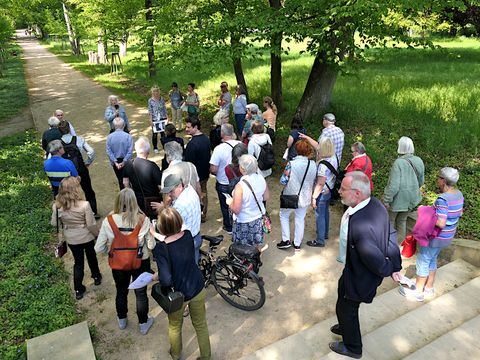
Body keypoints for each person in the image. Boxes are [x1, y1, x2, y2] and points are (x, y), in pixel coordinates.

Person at [329, 171, 402, 359]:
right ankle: (346, 326)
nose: (339, 192)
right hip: (354, 270)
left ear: (357, 194)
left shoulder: (360, 223)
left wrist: (388, 268)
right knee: (341, 292)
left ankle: (352, 347)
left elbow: (374, 259)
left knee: (347, 308)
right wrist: (396, 265)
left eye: (343, 189)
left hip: (360, 276)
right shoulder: (376, 204)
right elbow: (390, 234)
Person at [150, 207, 211, 360]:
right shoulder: (188, 235)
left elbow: (166, 280)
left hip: (179, 294)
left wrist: (156, 277)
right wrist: (155, 233)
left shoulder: (161, 249)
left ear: (161, 227)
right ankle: (206, 356)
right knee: (201, 325)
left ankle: (176, 355)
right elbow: (174, 240)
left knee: (175, 326)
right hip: (197, 286)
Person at [95, 188, 154, 335]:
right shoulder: (143, 219)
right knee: (140, 293)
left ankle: (122, 320)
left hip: (119, 263)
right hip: (141, 260)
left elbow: (98, 248)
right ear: (134, 202)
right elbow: (151, 245)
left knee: (121, 291)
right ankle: (143, 324)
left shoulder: (108, 221)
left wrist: (110, 252)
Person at [400, 167, 463, 302]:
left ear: (443, 181)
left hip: (436, 237)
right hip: (447, 236)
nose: (437, 180)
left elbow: (440, 222)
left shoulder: (443, 199)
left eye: (439, 178)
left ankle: (417, 292)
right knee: (432, 259)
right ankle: (429, 288)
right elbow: (460, 213)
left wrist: (425, 212)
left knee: (423, 261)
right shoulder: (459, 194)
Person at [51, 177, 101, 300]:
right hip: (86, 236)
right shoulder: (84, 205)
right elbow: (90, 224)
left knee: (78, 262)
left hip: (71, 238)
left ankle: (78, 288)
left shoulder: (57, 206)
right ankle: (96, 276)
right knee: (91, 256)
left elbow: (53, 223)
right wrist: (97, 234)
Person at [277, 140, 317, 251]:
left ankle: (286, 240)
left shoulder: (291, 164)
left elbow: (283, 181)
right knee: (300, 218)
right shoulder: (313, 164)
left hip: (290, 195)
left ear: (296, 150)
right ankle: (297, 243)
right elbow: (314, 181)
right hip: (305, 196)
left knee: (284, 215)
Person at [383, 136, 425, 243]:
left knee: (391, 221)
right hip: (412, 199)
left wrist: (386, 200)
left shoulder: (398, 163)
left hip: (398, 200)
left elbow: (394, 185)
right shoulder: (418, 160)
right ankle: (398, 245)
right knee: (402, 221)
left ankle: (389, 245)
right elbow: (421, 181)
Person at [228, 155, 269, 249]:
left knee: (242, 248)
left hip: (244, 221)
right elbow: (266, 197)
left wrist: (230, 202)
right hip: (258, 219)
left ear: (242, 169)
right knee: (256, 245)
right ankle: (255, 261)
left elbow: (236, 210)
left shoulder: (240, 186)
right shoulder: (261, 178)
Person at [58, 120, 99, 217]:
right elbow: (91, 152)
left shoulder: (58, 143)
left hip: (67, 171)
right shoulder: (79, 139)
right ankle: (93, 211)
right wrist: (88, 163)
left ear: (59, 131)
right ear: (69, 129)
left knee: (69, 191)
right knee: (88, 189)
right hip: (81, 168)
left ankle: (74, 213)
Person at [161, 174, 202, 264]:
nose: (169, 194)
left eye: (171, 191)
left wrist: (165, 206)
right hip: (196, 235)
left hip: (186, 243)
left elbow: (171, 228)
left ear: (179, 186)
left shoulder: (179, 206)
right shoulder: (190, 190)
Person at [307, 137, 338, 248]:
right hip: (329, 190)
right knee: (325, 213)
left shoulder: (323, 165)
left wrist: (314, 197)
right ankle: (324, 234)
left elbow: (320, 183)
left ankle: (320, 240)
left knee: (319, 215)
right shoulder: (334, 157)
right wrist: (307, 138)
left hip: (322, 192)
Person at [210, 124, 241, 234]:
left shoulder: (219, 149)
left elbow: (213, 169)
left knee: (225, 205)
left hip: (224, 181)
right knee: (240, 203)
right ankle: (240, 224)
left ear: (222, 134)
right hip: (240, 180)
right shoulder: (241, 145)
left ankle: (229, 226)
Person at [122, 137, 162, 219]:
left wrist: (131, 196)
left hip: (136, 201)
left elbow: (125, 182)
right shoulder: (152, 166)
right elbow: (160, 187)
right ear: (148, 151)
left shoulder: (128, 164)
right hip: (153, 202)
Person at [185, 117, 211, 223]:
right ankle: (203, 214)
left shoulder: (192, 144)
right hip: (205, 172)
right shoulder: (206, 138)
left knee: (195, 195)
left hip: (195, 175)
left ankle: (197, 214)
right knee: (204, 192)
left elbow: (188, 163)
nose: (186, 129)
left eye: (188, 127)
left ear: (195, 127)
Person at [106, 118, 133, 190]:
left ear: (114, 126)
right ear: (124, 125)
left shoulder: (109, 137)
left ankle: (123, 197)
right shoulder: (128, 136)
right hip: (127, 162)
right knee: (129, 180)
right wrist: (124, 162)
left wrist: (115, 162)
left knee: (120, 180)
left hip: (116, 162)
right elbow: (130, 151)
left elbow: (108, 151)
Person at [148, 86, 168, 153]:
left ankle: (165, 146)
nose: (156, 93)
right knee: (155, 134)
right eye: (154, 91)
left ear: (159, 92)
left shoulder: (161, 99)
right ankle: (155, 147)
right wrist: (150, 120)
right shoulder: (150, 100)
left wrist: (167, 118)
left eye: (157, 91)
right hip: (155, 118)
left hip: (162, 118)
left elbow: (164, 108)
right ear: (152, 92)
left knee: (163, 133)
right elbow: (150, 111)